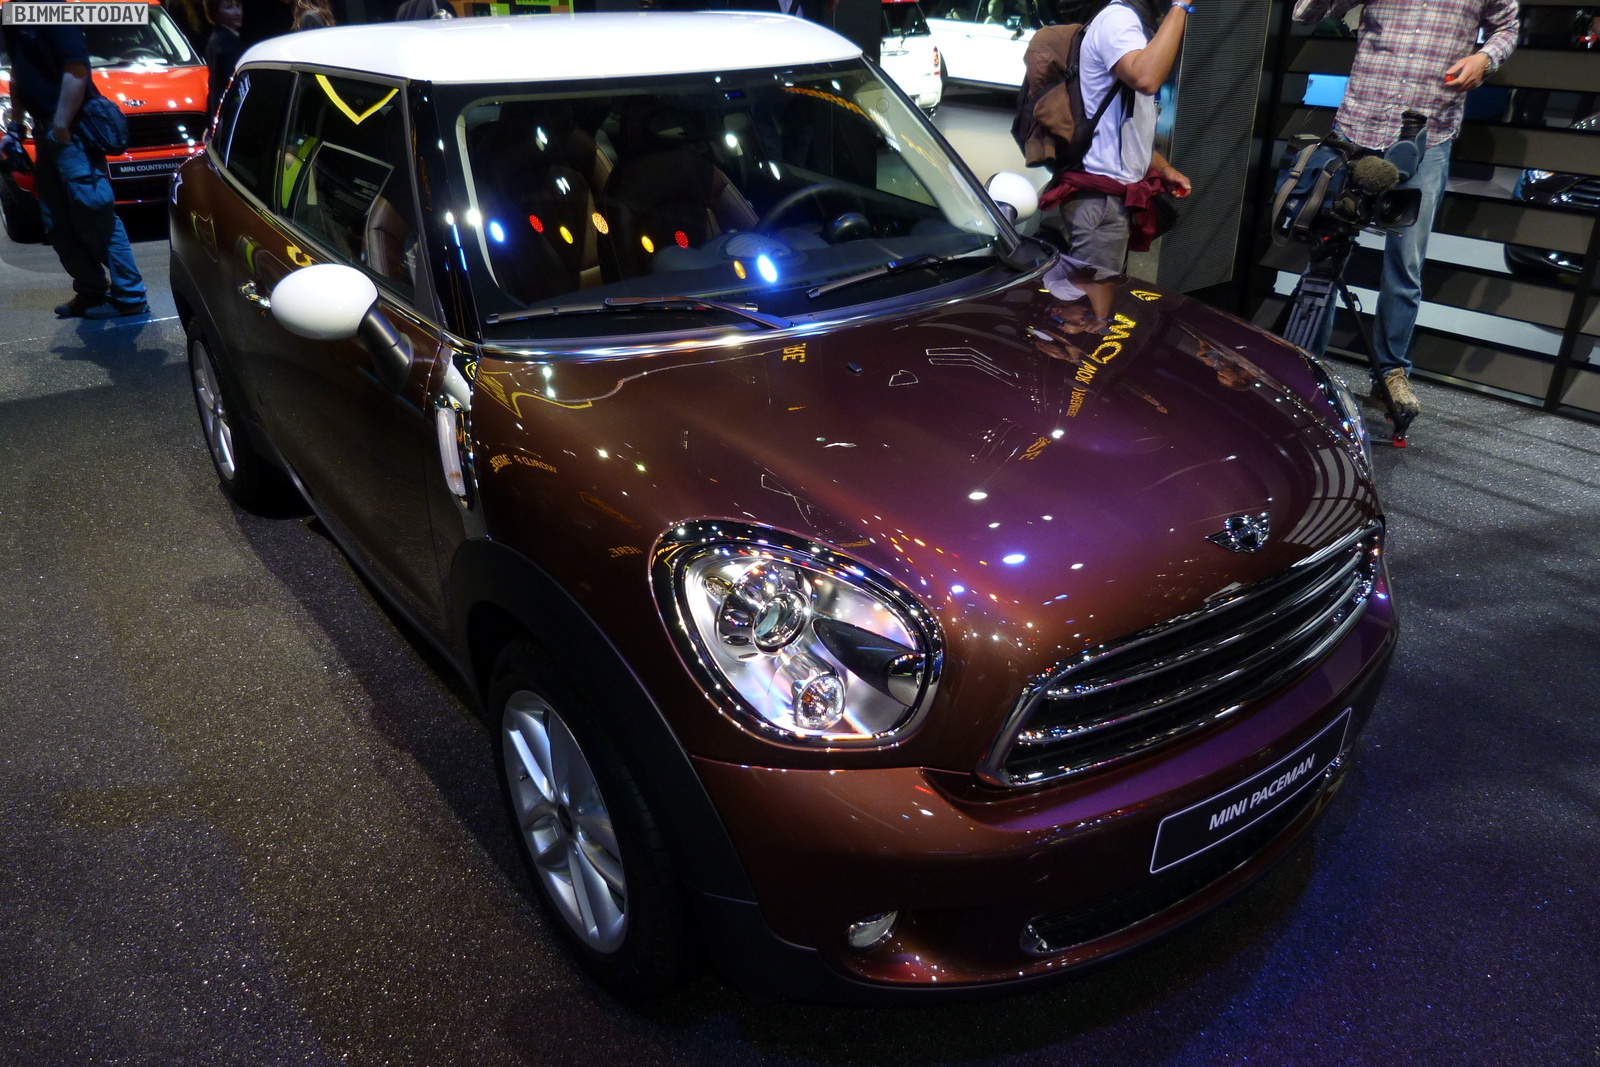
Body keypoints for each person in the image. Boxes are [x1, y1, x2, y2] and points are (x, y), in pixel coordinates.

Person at [1293, 0, 1519, 417]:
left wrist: (1485, 58)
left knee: (1405, 263)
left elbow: (1508, 26)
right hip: (1358, 126)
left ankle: (1390, 372)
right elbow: (1305, 12)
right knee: (1326, 252)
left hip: (1427, 137)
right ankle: (1306, 364)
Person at [0, 23, 149, 318]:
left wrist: (61, 126)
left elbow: (77, 69)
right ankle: (91, 291)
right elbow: (18, 72)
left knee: (96, 214)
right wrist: (16, 125)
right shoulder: (16, 14)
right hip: (46, 133)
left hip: (71, 133)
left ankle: (131, 297)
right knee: (57, 222)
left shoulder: (53, 10)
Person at [1038, 0, 1191, 272]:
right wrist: (1180, 6)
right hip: (1101, 203)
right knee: (1093, 297)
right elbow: (1146, 78)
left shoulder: (1127, 21)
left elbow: (1121, 125)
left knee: (1098, 293)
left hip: (1109, 200)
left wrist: (1162, 168)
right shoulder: (1118, 18)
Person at [204, 0, 245, 118]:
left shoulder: (217, 38)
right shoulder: (226, 42)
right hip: (230, 110)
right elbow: (234, 82)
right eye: (229, 7)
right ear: (216, 12)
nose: (237, 12)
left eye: (238, 6)